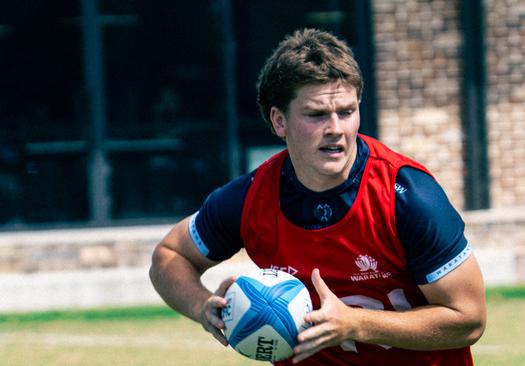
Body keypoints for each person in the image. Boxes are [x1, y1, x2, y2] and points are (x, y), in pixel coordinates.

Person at [149, 28, 486, 365]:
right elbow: (169, 255)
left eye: (346, 111)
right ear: (279, 121)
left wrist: (356, 323)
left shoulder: (407, 196)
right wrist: (202, 306)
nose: (336, 128)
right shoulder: (250, 198)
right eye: (317, 114)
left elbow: (468, 318)